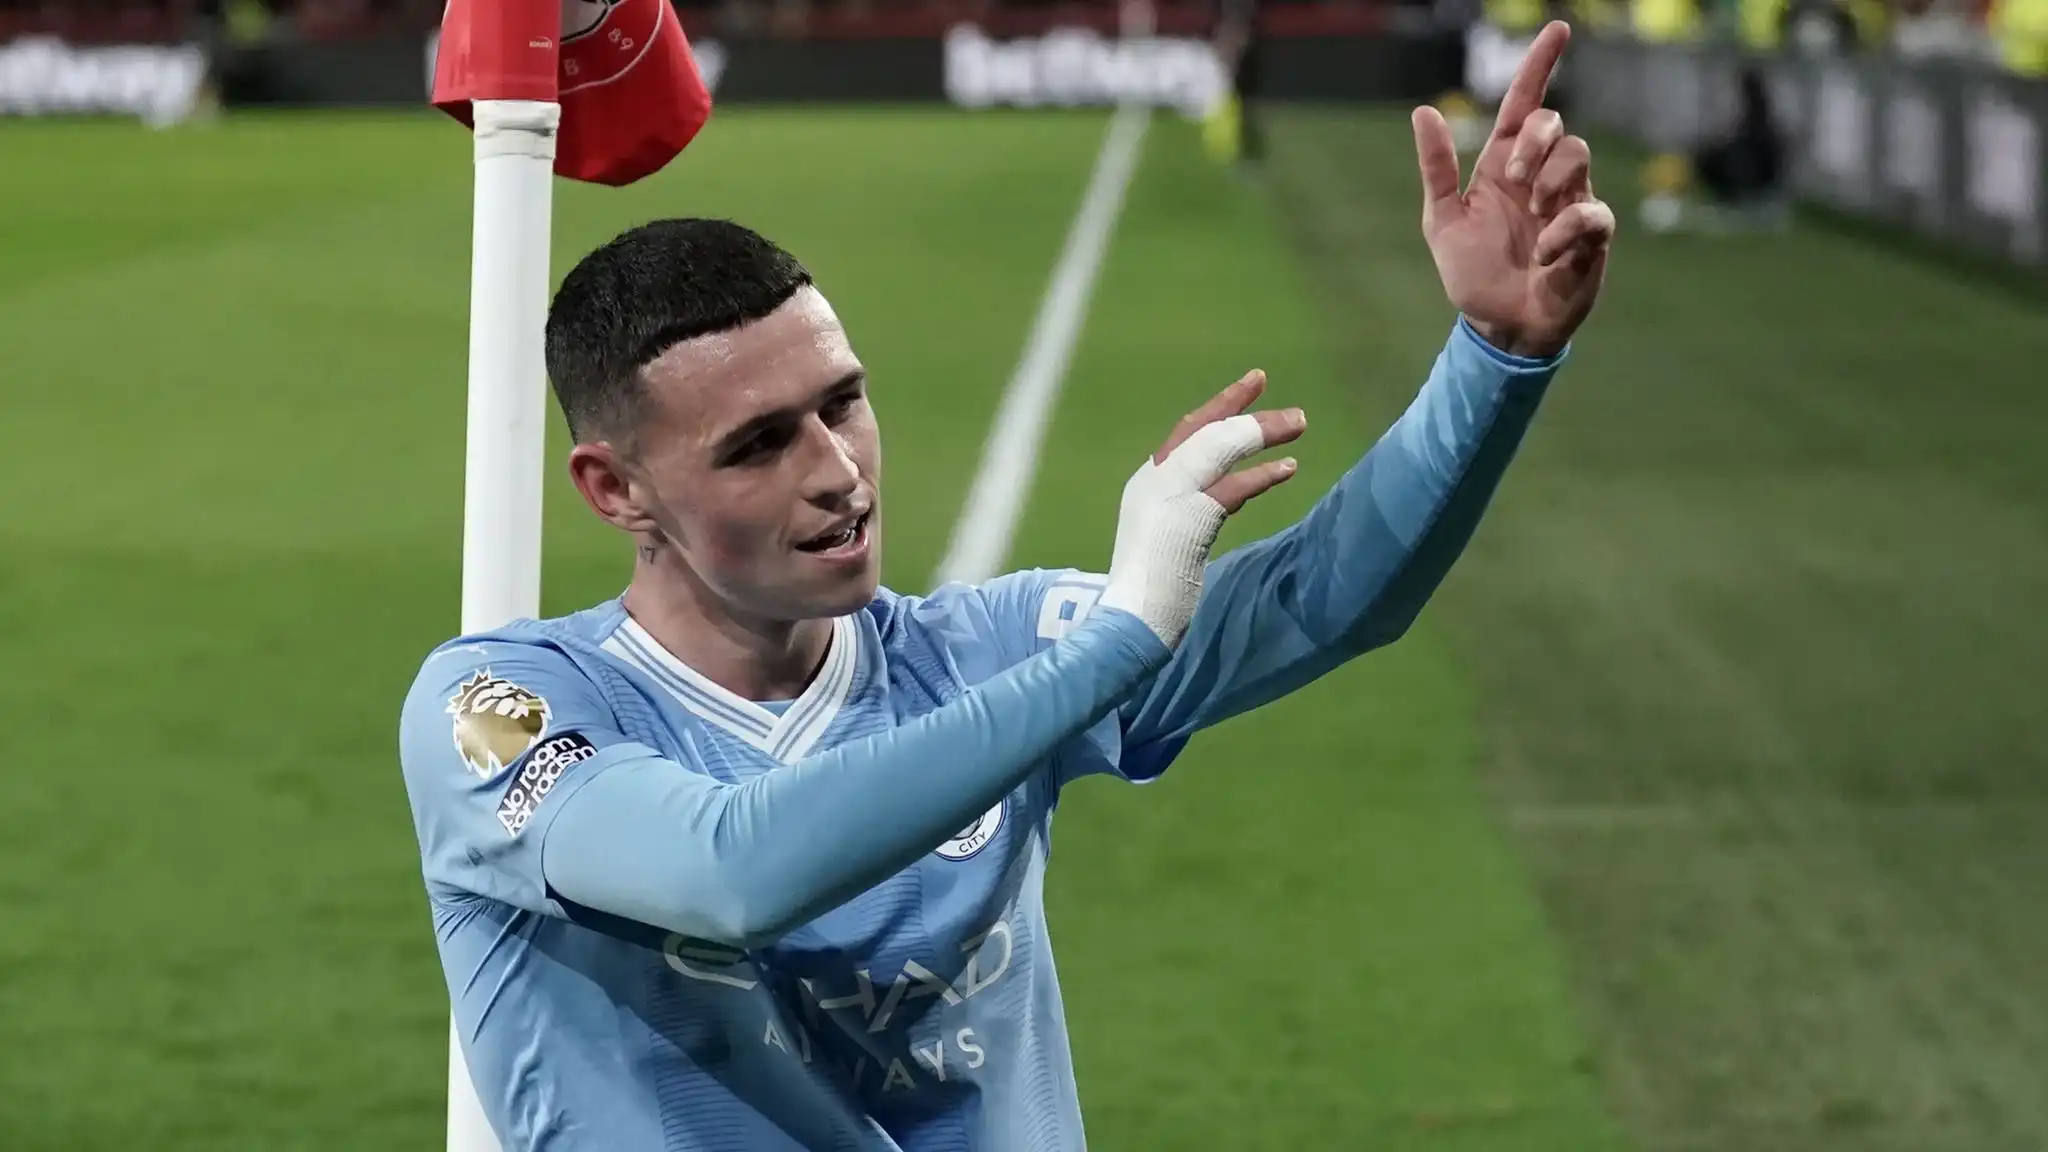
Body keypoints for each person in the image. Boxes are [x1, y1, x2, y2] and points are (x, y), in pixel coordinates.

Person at [397, 21, 1612, 1151]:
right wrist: (1112, 644)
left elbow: (1317, 599)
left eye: (842, 404)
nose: (836, 473)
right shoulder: (500, 711)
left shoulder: (979, 651)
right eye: (757, 445)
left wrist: (1496, 357)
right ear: (614, 490)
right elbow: (726, 873)